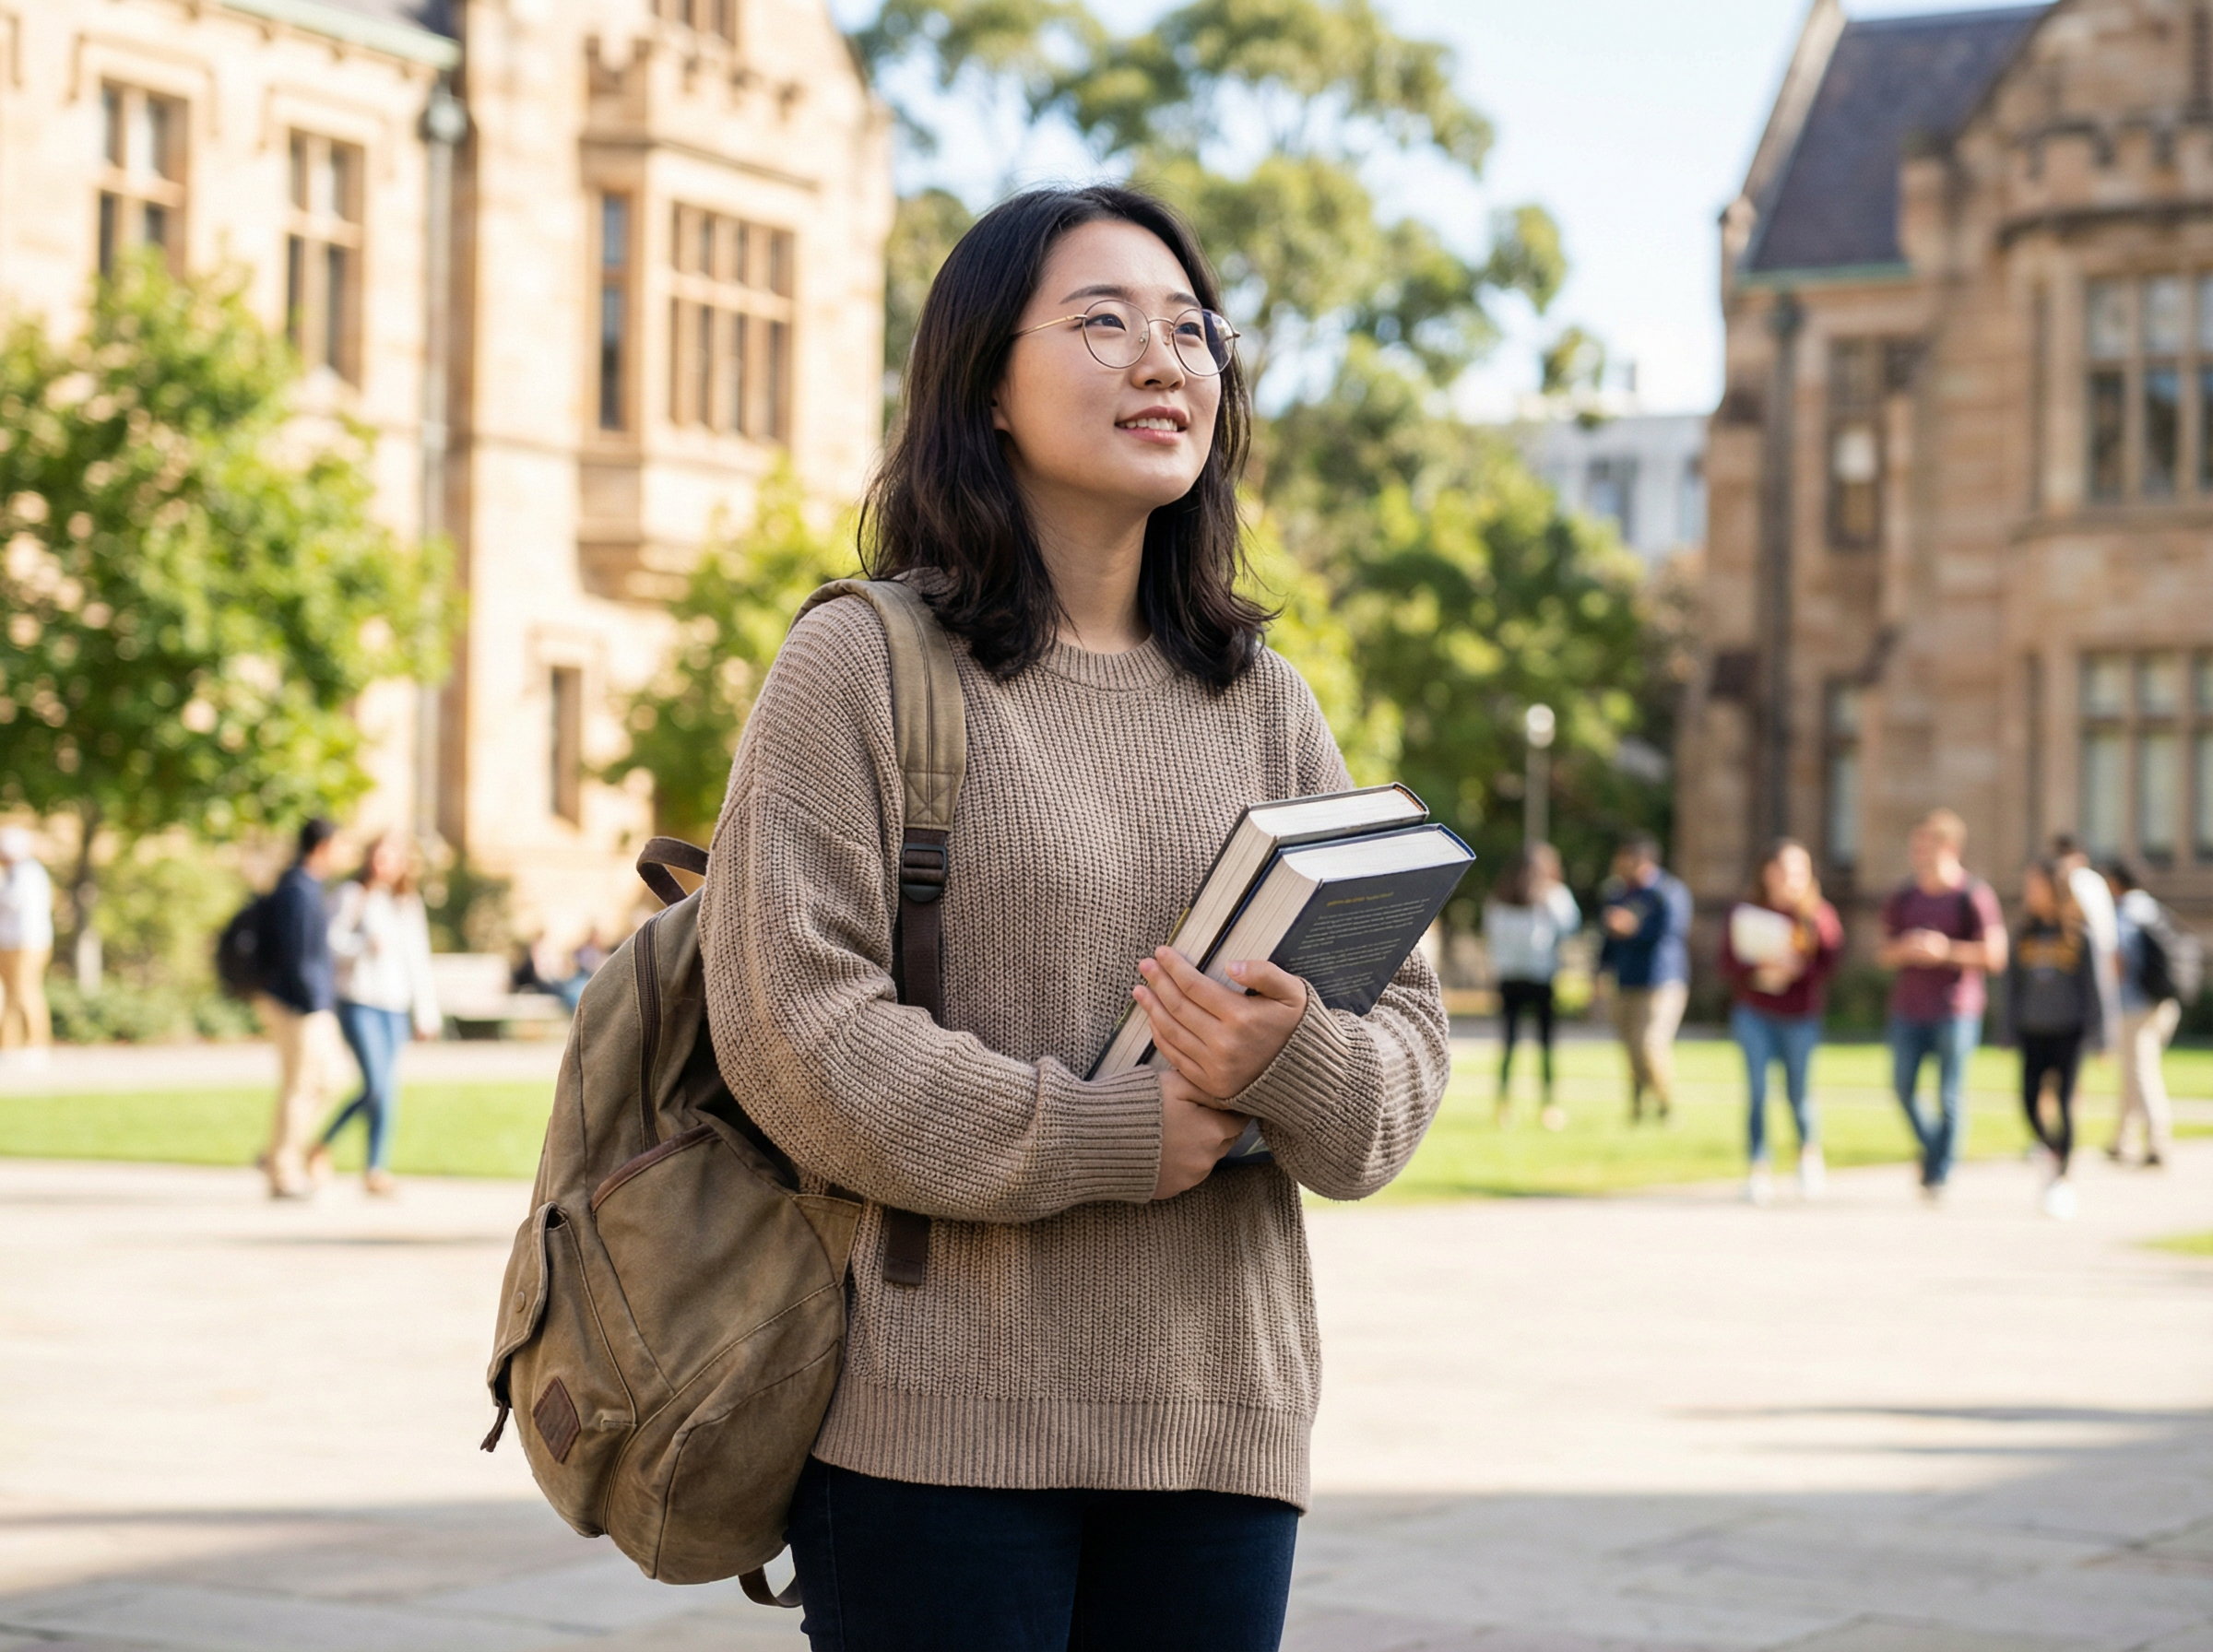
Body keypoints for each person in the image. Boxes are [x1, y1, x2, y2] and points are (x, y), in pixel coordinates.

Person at [698, 185, 1450, 1650]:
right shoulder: (863, 663)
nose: (1163, 362)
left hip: (1221, 1429)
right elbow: (795, 1033)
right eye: (1103, 323)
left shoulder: (1268, 705)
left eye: (1192, 331)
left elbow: (1397, 1073)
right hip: (936, 1431)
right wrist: (1104, 1134)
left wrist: (1283, 1060)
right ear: (985, 382)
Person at [1878, 808, 2006, 1200]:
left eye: (1927, 844)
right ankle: (1934, 1152)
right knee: (1902, 1087)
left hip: (1956, 1008)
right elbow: (1883, 953)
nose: (1918, 851)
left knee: (1949, 1094)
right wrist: (1906, 949)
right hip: (1909, 1007)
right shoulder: (1904, 896)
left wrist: (1946, 951)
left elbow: (1995, 955)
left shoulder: (1973, 895)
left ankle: (1939, 1173)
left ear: (1949, 847)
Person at [309, 833, 440, 1197]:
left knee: (385, 1090)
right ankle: (331, 1146)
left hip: (394, 1006)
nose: (385, 865)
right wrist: (362, 945)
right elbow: (329, 943)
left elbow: (419, 959)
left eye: (392, 858)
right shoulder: (353, 895)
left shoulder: (407, 903)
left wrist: (425, 1012)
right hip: (359, 1000)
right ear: (369, 859)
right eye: (380, 857)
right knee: (377, 1084)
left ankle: (372, 1168)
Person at [1719, 839, 1842, 1205]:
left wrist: (1797, 971)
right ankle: (1758, 1166)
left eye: (1799, 871)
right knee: (1757, 1091)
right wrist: (1760, 971)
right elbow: (1727, 961)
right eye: (1785, 870)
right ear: (1768, 873)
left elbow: (1830, 962)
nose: (1791, 878)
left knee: (1798, 1092)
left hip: (1799, 1014)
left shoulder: (1816, 916)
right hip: (1755, 1011)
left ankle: (1807, 1155)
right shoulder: (1746, 912)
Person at [2004, 858, 2104, 1219]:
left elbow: (2095, 990)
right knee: (2030, 1100)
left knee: (2064, 1101)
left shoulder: (2079, 936)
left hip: (2069, 1031)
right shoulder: (2023, 935)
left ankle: (2062, 1177)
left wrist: (2100, 1036)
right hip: (2033, 1029)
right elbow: (2011, 986)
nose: (2029, 893)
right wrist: (2006, 1029)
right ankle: (2051, 1150)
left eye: (2036, 886)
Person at [254, 818, 346, 1199]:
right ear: (323, 846)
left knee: (332, 1078)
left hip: (311, 1003)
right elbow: (297, 956)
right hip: (297, 1005)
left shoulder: (308, 886)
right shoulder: (297, 889)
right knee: (300, 1086)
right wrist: (313, 1003)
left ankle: (279, 1152)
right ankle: (282, 1170)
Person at [1483, 843, 1580, 1129]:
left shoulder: (1542, 897)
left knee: (1529, 1045)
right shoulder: (1513, 898)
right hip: (1525, 977)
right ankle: (1523, 1104)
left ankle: (1528, 1105)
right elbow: (1570, 926)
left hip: (1526, 977)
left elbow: (1569, 926)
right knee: (1526, 1044)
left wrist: (1550, 899)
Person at [1597, 832, 1692, 1125]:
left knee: (1649, 1043)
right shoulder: (1618, 893)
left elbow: (1672, 932)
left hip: (1662, 980)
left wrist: (1634, 928)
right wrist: (1601, 971)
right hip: (1626, 979)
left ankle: (1666, 1104)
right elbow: (1608, 941)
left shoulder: (1667, 891)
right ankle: (1637, 1106)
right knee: (1629, 1046)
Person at [2105, 861, 2183, 1169]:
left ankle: (2157, 1142)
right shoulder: (2153, 909)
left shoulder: (2124, 913)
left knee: (2140, 1073)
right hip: (2163, 1002)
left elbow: (2117, 959)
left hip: (2136, 1004)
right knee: (2132, 1073)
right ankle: (2122, 1139)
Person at [0, 827, 54, 1067]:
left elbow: (13, 902)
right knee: (11, 994)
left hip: (28, 942)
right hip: (10, 942)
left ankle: (37, 1044)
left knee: (27, 991)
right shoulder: (12, 873)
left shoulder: (28, 872)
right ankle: (9, 1045)